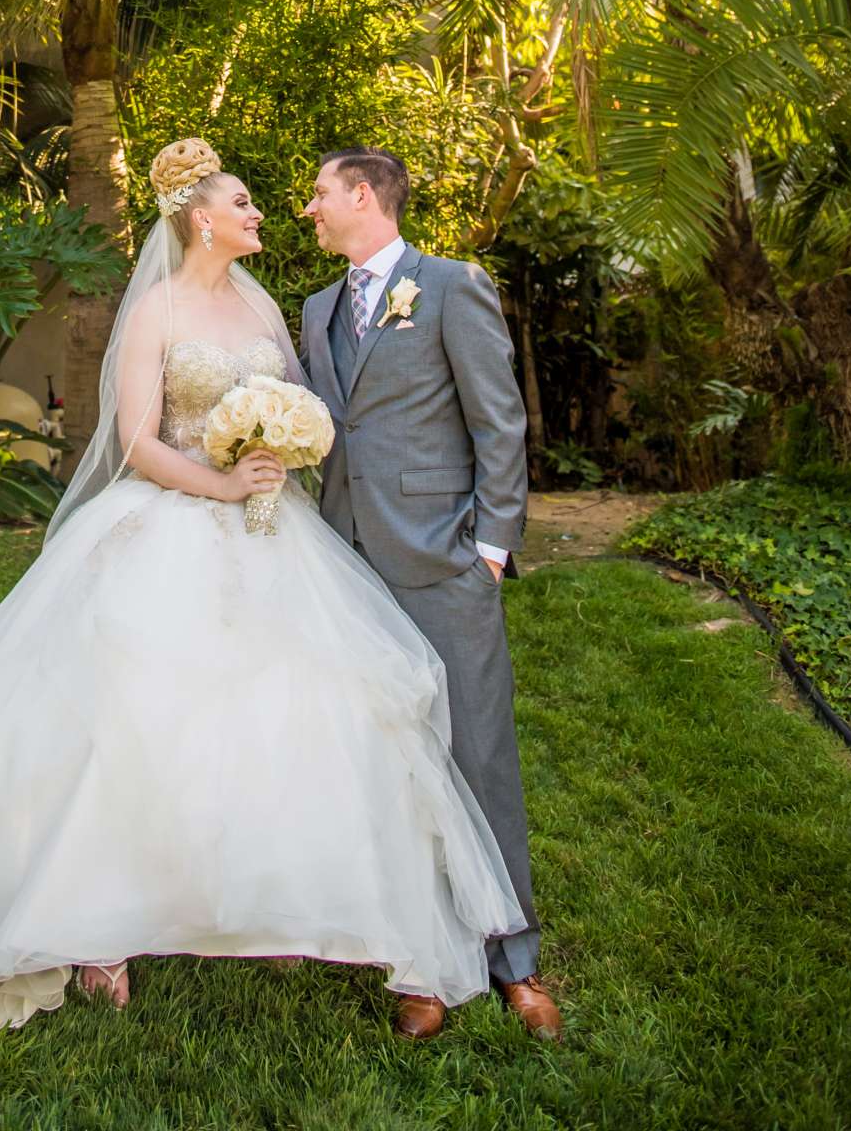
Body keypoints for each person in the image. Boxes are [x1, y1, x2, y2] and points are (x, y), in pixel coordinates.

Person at [0, 135, 526, 1045]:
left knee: (282, 711)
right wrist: (224, 483)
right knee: (135, 721)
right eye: (246, 202)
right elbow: (137, 439)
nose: (270, 214)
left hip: (279, 534)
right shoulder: (161, 313)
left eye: (293, 196)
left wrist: (293, 462)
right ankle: (102, 921)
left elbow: (327, 415)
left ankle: (272, 906)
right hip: (174, 526)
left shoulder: (273, 308)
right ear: (201, 217)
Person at [300, 147, 561, 1041]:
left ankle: (512, 959)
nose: (310, 209)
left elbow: (499, 419)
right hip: (348, 560)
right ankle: (419, 964)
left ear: (362, 196)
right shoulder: (315, 310)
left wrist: (490, 548)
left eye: (321, 194)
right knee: (383, 760)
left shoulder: (449, 286)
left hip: (444, 561)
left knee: (476, 749)